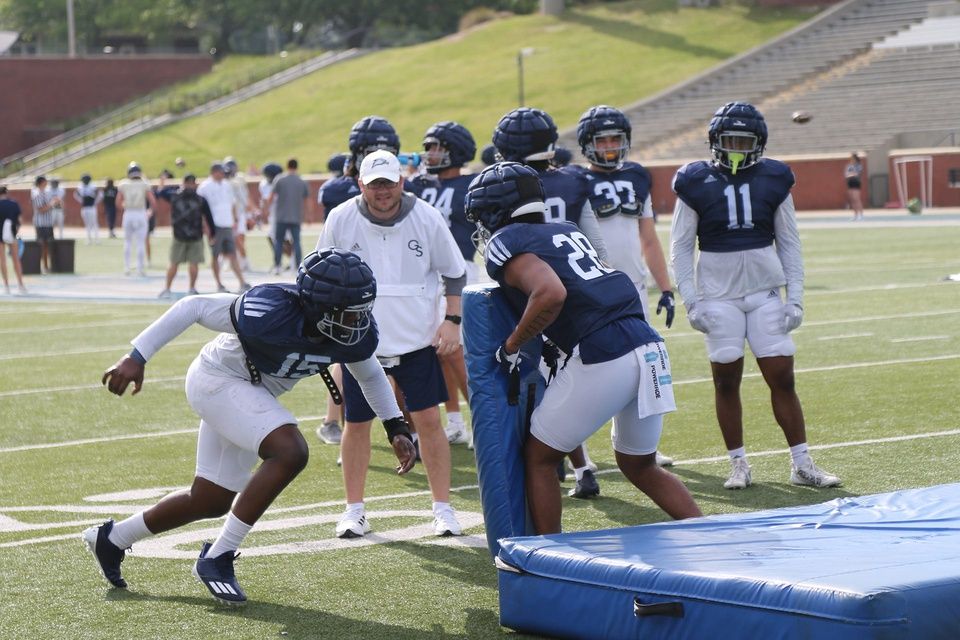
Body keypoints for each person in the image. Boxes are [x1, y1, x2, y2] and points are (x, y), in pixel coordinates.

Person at [84, 249, 417, 605]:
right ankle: (218, 556)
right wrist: (137, 356)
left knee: (210, 499)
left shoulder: (353, 331)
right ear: (318, 307)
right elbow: (193, 306)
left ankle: (112, 538)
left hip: (253, 393)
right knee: (290, 450)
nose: (357, 323)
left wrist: (395, 425)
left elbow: (369, 373)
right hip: (219, 378)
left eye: (360, 312)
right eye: (348, 314)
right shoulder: (269, 310)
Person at [465, 161, 702, 534]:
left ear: (495, 210)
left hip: (605, 351)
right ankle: (708, 535)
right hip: (649, 346)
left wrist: (512, 345)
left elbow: (550, 293)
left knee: (540, 458)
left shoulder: (507, 242)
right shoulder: (566, 229)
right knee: (640, 465)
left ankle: (549, 557)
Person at [669, 102, 841, 491]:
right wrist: (692, 302)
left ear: (759, 144)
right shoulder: (694, 180)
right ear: (714, 142)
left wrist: (795, 297)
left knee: (783, 378)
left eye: (743, 142)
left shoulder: (775, 177)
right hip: (717, 297)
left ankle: (802, 463)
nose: (735, 149)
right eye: (728, 141)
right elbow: (680, 247)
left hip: (765, 293)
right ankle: (738, 464)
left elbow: (790, 243)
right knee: (726, 380)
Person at [317, 149, 467, 538]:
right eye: (374, 184)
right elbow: (318, 271)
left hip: (416, 341)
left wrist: (452, 321)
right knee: (357, 424)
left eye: (389, 183)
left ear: (401, 181)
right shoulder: (341, 217)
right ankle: (353, 510)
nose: (383, 192)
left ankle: (443, 508)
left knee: (430, 422)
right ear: (361, 184)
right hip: (361, 345)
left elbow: (454, 274)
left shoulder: (426, 216)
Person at [493, 106, 612, 486]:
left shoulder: (503, 186)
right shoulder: (574, 180)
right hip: (578, 295)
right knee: (564, 381)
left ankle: (571, 464)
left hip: (529, 295)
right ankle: (581, 467)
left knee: (536, 380)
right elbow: (597, 249)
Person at [572, 105, 679, 485]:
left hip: (632, 289)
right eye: (602, 140)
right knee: (580, 368)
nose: (611, 147)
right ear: (587, 144)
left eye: (616, 139)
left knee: (641, 369)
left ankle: (639, 447)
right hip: (591, 288)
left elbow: (648, 238)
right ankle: (575, 452)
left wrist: (664, 287)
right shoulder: (575, 181)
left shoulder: (637, 176)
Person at [313, 116, 401, 446]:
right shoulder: (340, 192)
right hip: (348, 280)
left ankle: (397, 424)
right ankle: (335, 421)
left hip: (385, 281)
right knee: (350, 353)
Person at [405, 121, 479, 448]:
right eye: (429, 147)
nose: (430, 153)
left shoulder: (471, 185)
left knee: (455, 351)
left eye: (437, 147)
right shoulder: (418, 185)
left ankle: (482, 420)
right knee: (438, 352)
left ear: (456, 150)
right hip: (423, 275)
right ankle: (454, 421)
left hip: (458, 270)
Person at [197, 162, 249, 293]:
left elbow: (232, 203)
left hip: (227, 224)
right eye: (221, 172)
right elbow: (201, 209)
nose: (223, 174)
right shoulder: (205, 187)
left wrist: (234, 219)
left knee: (232, 254)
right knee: (215, 255)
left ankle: (242, 282)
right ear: (214, 172)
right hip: (215, 225)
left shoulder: (226, 185)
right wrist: (206, 228)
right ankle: (219, 284)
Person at [158, 174, 212, 298]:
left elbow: (160, 192)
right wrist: (211, 233)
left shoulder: (175, 195)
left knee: (174, 263)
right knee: (193, 263)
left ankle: (167, 289)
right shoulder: (200, 199)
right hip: (195, 235)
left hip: (179, 234)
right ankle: (192, 288)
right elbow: (208, 217)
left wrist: (163, 182)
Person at [265, 159, 309, 276]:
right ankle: (297, 267)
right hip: (296, 216)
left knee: (279, 242)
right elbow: (307, 200)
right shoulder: (301, 181)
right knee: (297, 242)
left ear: (287, 166)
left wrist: (266, 210)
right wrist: (307, 215)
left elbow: (271, 197)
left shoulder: (280, 179)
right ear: (297, 167)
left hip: (281, 216)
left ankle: (277, 266)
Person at [117, 163, 156, 277]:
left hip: (129, 213)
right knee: (140, 242)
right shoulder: (144, 183)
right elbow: (152, 200)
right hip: (140, 213)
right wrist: (150, 211)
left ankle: (127, 267)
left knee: (127, 242)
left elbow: (118, 201)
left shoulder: (124, 184)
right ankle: (140, 268)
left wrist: (125, 208)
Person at [224, 157, 254, 271]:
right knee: (232, 239)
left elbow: (245, 197)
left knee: (240, 239)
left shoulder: (239, 179)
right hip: (229, 214)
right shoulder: (225, 182)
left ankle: (243, 260)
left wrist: (250, 214)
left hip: (239, 213)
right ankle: (232, 260)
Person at [0, 186, 26, 294]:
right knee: (16, 259)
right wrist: (16, 232)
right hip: (11, 233)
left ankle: (6, 286)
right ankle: (20, 285)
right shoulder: (14, 204)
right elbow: (20, 220)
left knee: (2, 261)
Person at [30, 176, 55, 273]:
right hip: (41, 223)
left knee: (49, 245)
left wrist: (57, 203)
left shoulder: (48, 193)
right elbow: (41, 210)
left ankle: (50, 265)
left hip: (48, 222)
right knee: (42, 245)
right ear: (41, 182)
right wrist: (52, 204)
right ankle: (44, 266)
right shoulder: (36, 194)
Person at [73, 174, 102, 244]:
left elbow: (99, 195)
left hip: (92, 207)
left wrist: (95, 202)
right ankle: (89, 239)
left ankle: (97, 239)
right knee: (87, 224)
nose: (84, 181)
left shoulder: (93, 186)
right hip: (84, 207)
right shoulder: (80, 186)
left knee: (94, 223)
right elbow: (76, 194)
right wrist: (81, 201)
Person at [845, 152, 865, 221]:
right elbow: (846, 175)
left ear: (855, 158)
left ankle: (861, 215)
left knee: (857, 199)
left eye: (852, 158)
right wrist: (852, 174)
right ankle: (855, 215)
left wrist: (851, 174)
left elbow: (857, 174)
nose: (851, 159)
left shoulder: (859, 165)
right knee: (852, 200)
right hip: (850, 183)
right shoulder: (849, 166)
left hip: (856, 183)